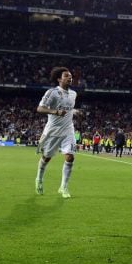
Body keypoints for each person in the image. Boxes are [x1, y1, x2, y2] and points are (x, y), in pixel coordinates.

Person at [35, 67, 79, 199]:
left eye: (70, 76)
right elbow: (40, 108)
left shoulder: (73, 94)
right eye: (66, 76)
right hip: (53, 131)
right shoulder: (52, 92)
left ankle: (63, 187)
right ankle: (39, 180)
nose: (69, 78)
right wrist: (55, 112)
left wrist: (75, 112)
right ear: (59, 79)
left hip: (68, 130)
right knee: (46, 157)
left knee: (70, 157)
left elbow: (68, 108)